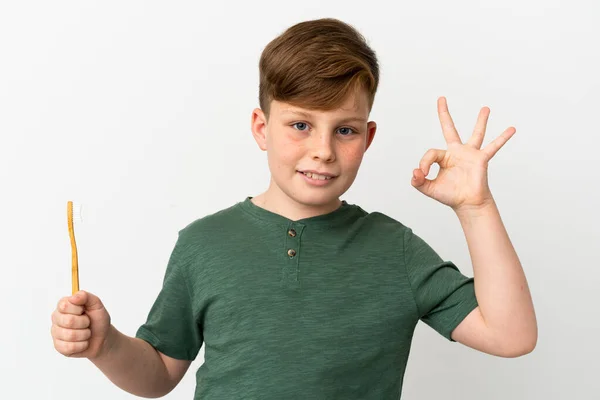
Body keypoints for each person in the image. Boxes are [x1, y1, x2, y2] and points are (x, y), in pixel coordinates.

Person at [50, 17, 537, 399]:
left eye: (344, 130)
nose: (322, 150)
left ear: (367, 138)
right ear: (261, 127)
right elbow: (158, 374)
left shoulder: (397, 250)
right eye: (300, 125)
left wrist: (476, 206)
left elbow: (511, 335)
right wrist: (106, 344)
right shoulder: (203, 244)